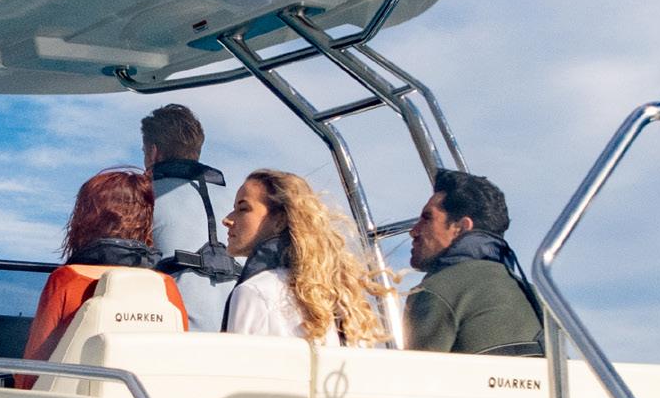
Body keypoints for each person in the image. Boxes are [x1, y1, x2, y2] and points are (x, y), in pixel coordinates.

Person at [20, 168, 189, 376]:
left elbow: (30, 374)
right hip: (144, 397)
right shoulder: (165, 286)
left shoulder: (67, 280)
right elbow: (179, 363)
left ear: (85, 218)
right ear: (145, 220)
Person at [221, 169, 391, 344]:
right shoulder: (339, 300)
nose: (227, 219)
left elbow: (238, 360)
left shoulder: (254, 292)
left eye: (243, 209)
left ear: (280, 220)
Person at [405, 168, 544, 355]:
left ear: (461, 227)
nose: (413, 231)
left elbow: (417, 372)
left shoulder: (436, 290)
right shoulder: (536, 298)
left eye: (427, 218)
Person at [141, 104, 235, 331]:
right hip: (235, 338)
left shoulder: (143, 197)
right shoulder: (237, 203)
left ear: (153, 152)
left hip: (175, 340)